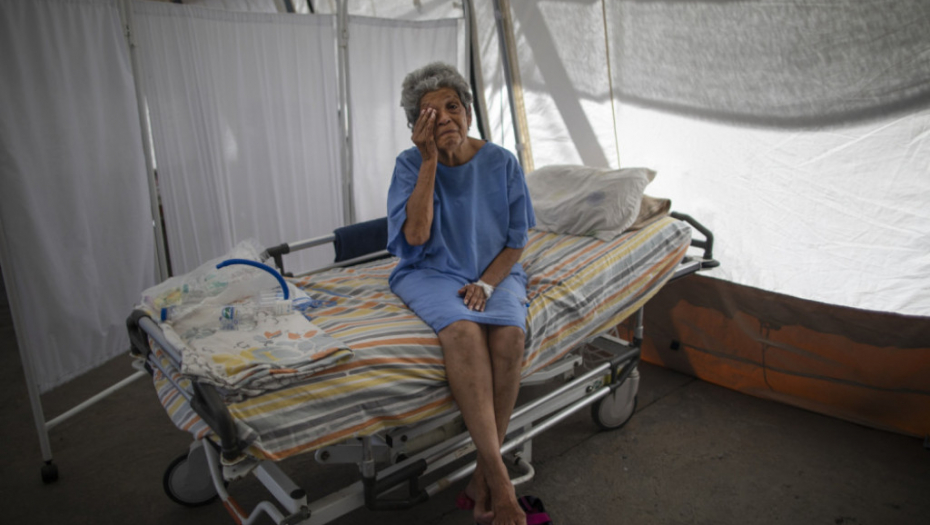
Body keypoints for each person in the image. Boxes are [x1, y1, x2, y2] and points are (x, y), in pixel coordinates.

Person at [386, 62, 535, 525]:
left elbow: (516, 241)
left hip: (494, 270)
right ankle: (501, 483)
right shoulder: (410, 164)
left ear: (469, 113)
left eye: (453, 106)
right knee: (464, 332)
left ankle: (481, 477)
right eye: (430, 114)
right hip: (430, 270)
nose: (446, 118)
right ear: (417, 127)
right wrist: (429, 161)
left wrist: (487, 283)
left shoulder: (502, 162)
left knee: (510, 336)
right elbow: (415, 237)